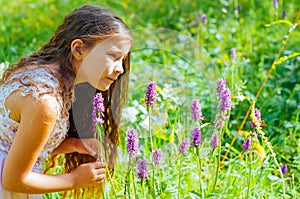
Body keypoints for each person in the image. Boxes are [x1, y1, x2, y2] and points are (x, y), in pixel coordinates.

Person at [0, 4, 132, 199]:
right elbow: (13, 179)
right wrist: (74, 179)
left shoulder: (40, 73)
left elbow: (14, 144)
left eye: (123, 59)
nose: (120, 68)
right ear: (78, 49)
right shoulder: (45, 101)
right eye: (113, 56)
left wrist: (73, 145)